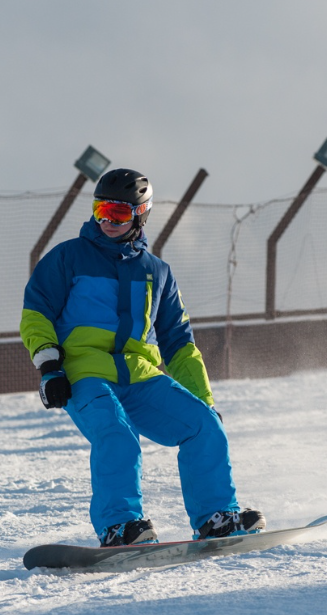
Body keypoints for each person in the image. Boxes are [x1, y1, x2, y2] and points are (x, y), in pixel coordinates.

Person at [20, 168, 264, 546]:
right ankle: (120, 526)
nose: (107, 221)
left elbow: (179, 343)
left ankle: (216, 518)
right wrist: (50, 367)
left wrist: (204, 400)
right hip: (84, 374)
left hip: (139, 375)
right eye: (101, 210)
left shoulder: (157, 273)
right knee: (117, 433)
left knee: (204, 425)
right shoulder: (68, 257)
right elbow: (36, 314)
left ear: (140, 213)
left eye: (118, 213)